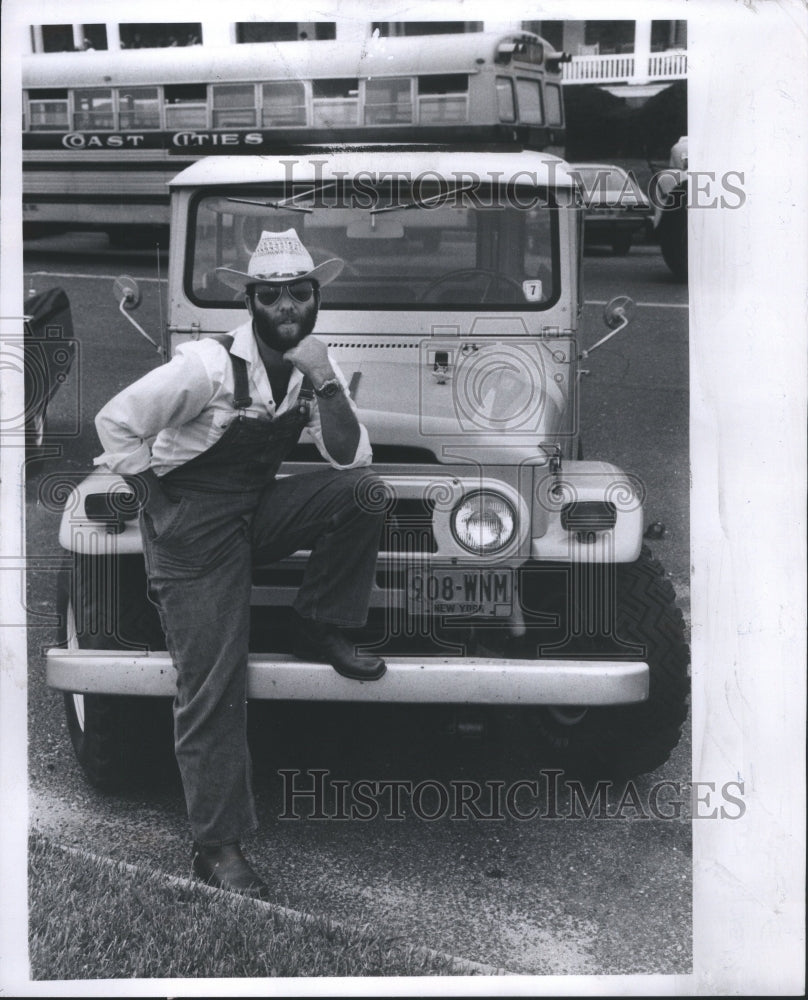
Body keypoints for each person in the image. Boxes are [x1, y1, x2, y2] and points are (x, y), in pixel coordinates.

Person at [94, 229, 387, 900]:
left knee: (365, 494)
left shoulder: (317, 365)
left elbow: (351, 458)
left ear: (315, 298)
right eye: (272, 295)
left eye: (300, 293)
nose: (287, 305)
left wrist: (326, 385)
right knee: (215, 681)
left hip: (251, 510)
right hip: (191, 527)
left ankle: (321, 621)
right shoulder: (205, 366)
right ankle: (217, 846)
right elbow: (115, 422)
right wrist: (157, 505)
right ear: (252, 300)